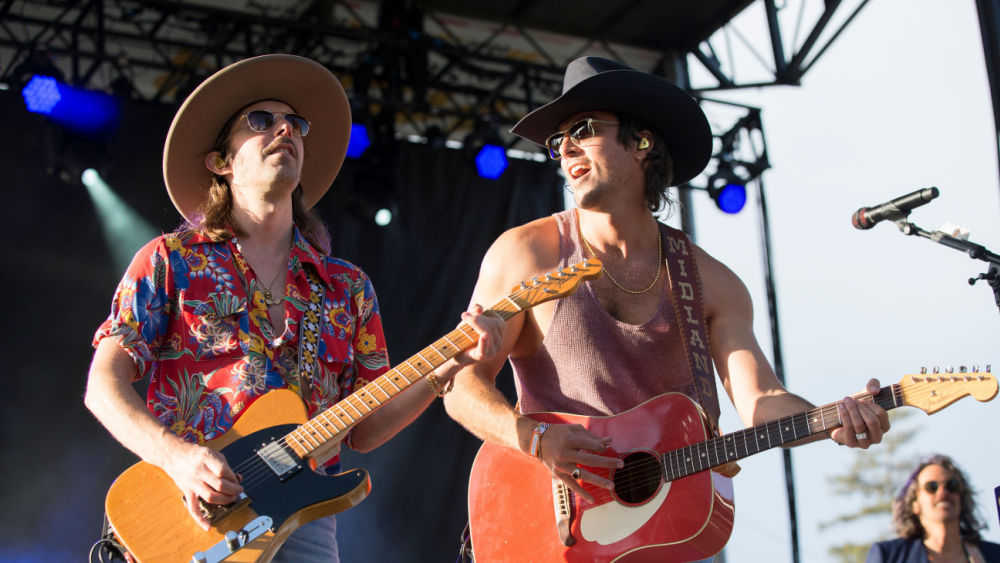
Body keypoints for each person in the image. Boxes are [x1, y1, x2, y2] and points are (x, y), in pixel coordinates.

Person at [437, 56, 891, 560]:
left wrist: (835, 418)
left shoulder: (713, 284)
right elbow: (462, 387)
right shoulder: (527, 253)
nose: (565, 148)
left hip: (667, 537)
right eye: (556, 141)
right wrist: (533, 437)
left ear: (641, 143)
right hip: (551, 532)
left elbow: (761, 400)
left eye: (582, 130)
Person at [83, 54, 499, 562]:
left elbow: (367, 427)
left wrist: (446, 367)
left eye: (295, 123)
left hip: (303, 524)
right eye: (261, 121)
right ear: (222, 161)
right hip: (190, 513)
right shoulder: (170, 260)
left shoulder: (348, 288)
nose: (286, 129)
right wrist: (178, 458)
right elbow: (102, 386)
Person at [867, 455, 1000, 563]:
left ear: (961, 498)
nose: (943, 493)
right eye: (932, 487)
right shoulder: (889, 556)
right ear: (915, 504)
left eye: (952, 485)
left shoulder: (994, 555)